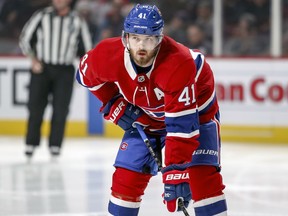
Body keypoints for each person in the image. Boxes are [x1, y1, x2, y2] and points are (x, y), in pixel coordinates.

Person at [76, 4, 227, 216]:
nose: (142, 46)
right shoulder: (107, 54)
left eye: (149, 39)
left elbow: (181, 127)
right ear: (125, 38)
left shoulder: (178, 63)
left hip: (196, 115)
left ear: (160, 39)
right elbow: (84, 76)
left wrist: (176, 171)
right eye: (136, 38)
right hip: (148, 117)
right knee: (125, 179)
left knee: (202, 179)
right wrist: (113, 103)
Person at [19, 0, 92, 158]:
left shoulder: (77, 20)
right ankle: (31, 143)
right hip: (42, 68)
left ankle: (55, 145)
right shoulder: (42, 15)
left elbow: (87, 50)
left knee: (61, 110)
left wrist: (83, 71)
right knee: (35, 107)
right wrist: (33, 60)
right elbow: (25, 38)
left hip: (64, 70)